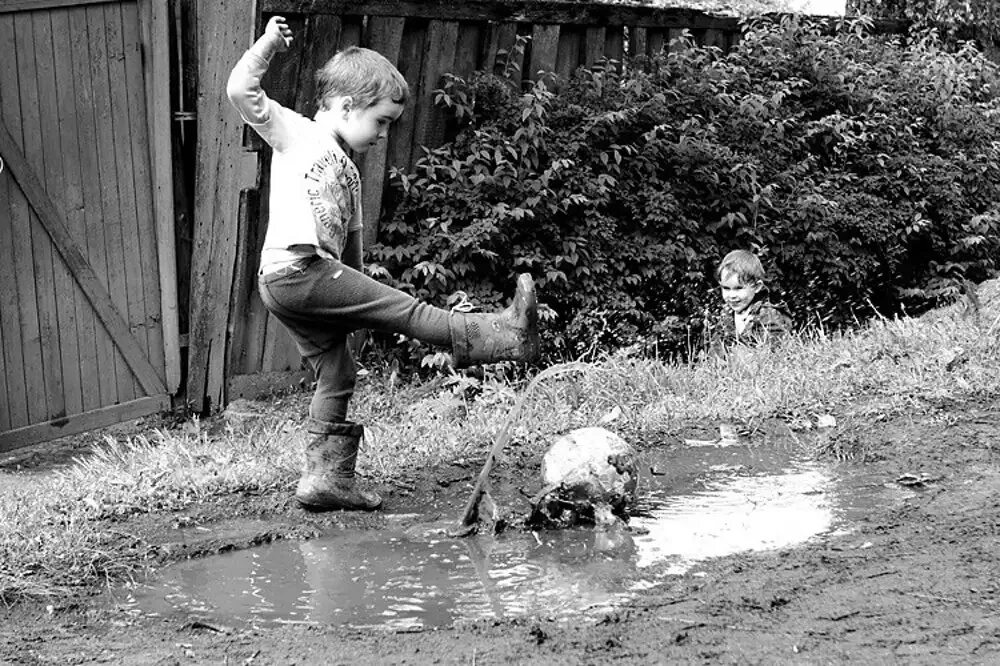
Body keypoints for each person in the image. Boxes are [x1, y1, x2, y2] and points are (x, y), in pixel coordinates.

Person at [226, 16, 539, 512]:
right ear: (348, 106)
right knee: (411, 311)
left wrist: (359, 310)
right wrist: (267, 44)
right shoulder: (296, 133)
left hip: (303, 281)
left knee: (337, 372)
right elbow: (240, 90)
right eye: (381, 122)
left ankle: (325, 480)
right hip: (296, 271)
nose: (384, 134)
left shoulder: (348, 171)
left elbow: (351, 255)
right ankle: (503, 336)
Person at [703, 249, 791, 354]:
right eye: (726, 288)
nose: (732, 295)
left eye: (739, 288)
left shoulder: (767, 315)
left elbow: (776, 353)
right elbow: (716, 354)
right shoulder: (725, 315)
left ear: (757, 287)